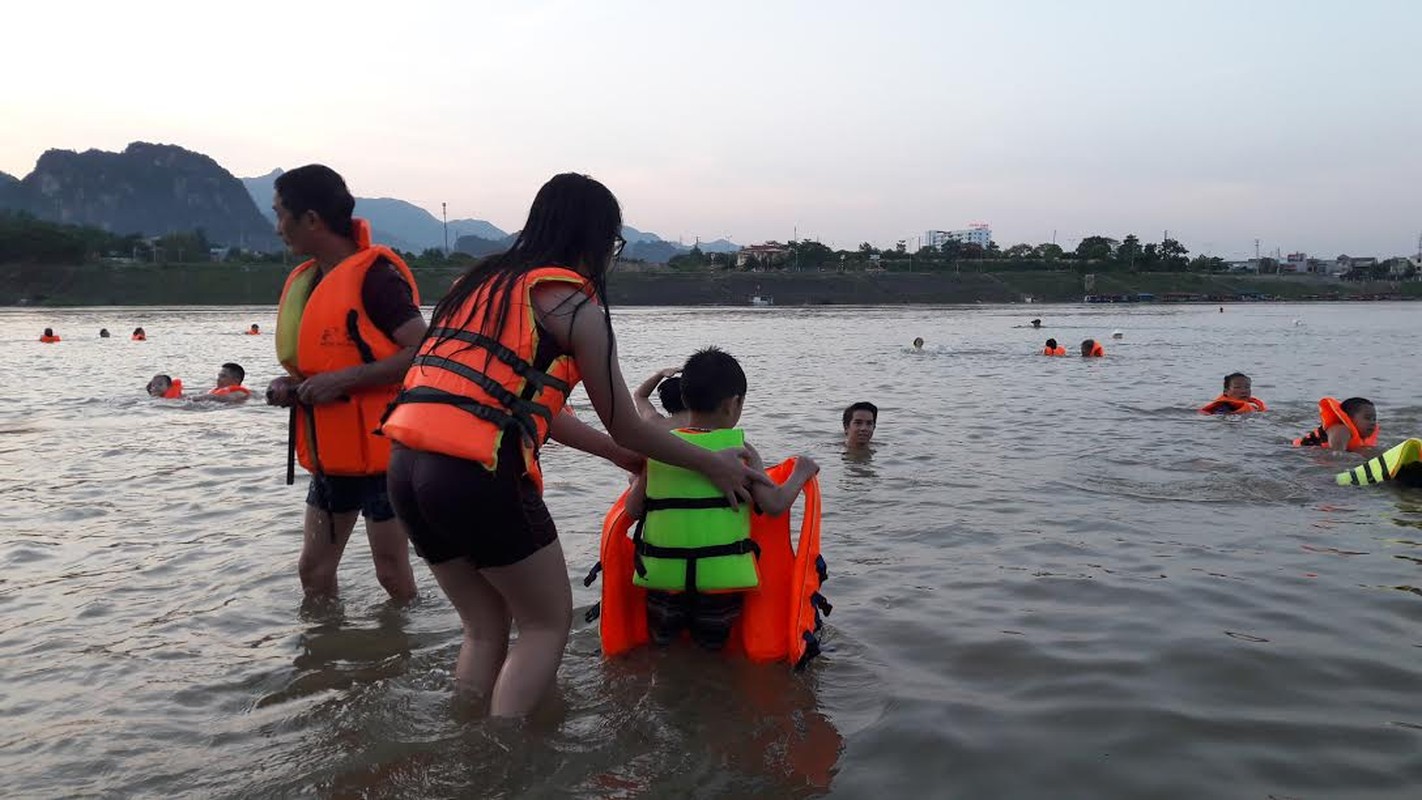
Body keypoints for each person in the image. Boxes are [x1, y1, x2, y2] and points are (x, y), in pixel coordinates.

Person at [378, 172, 769, 717]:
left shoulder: (477, 287)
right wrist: (714, 466)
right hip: (475, 476)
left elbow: (525, 404)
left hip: (404, 470)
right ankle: (499, 761)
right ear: (597, 239)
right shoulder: (575, 310)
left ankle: (464, 736)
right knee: (545, 626)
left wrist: (615, 455)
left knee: (484, 629)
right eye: (613, 243)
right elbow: (628, 427)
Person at [263, 164, 426, 603]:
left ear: (312, 219)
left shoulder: (377, 279)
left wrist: (344, 381)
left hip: (383, 452)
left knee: (391, 572)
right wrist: (292, 384)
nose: (277, 227)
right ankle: (321, 662)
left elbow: (422, 350)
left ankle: (404, 655)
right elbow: (322, 362)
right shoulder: (310, 280)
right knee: (313, 572)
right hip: (331, 454)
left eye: (281, 214)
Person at [624, 346, 819, 651]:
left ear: (685, 399)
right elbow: (775, 505)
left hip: (663, 583)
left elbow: (633, 510)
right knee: (710, 655)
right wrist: (801, 473)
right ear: (734, 404)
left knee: (665, 653)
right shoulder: (742, 452)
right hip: (719, 588)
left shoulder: (661, 449)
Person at [1294, 397, 1379, 452]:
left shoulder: (1359, 437)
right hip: (1297, 451)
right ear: (1349, 418)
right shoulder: (1341, 430)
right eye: (1367, 418)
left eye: (1374, 419)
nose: (1372, 423)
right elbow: (1337, 456)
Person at [1199, 372, 1267, 414]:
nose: (1244, 391)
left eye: (1247, 387)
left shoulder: (1254, 405)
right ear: (1226, 392)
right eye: (1237, 387)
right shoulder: (1223, 408)